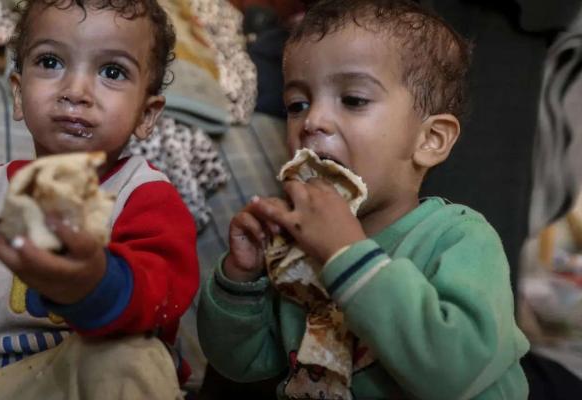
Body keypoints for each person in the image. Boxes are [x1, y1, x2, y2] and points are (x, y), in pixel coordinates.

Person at [197, 0, 529, 398]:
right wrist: (241, 279)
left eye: (353, 100)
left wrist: (346, 254)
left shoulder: (459, 239)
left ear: (429, 139)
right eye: (297, 105)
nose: (312, 121)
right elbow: (243, 364)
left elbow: (454, 373)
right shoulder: (296, 246)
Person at [0, 1, 199, 398]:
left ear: (146, 116)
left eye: (112, 72)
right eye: (51, 63)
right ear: (18, 93)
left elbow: (162, 294)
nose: (75, 92)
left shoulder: (145, 195)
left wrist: (92, 283)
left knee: (135, 356)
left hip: (95, 376)